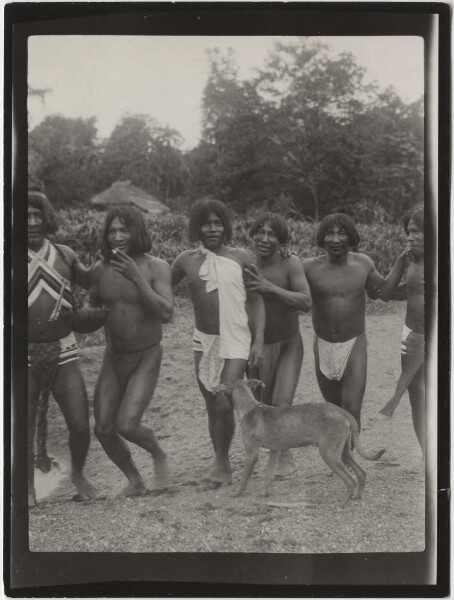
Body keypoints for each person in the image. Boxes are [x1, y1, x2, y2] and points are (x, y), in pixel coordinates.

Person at [171, 198, 265, 486]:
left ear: (226, 226)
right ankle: (221, 461)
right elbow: (162, 286)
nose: (212, 229)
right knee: (213, 405)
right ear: (196, 228)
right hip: (204, 341)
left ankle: (227, 462)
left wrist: (258, 340)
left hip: (237, 338)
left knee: (225, 401)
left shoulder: (241, 257)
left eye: (217, 223)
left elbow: (258, 298)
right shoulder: (185, 260)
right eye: (206, 223)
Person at [88, 205, 173, 497]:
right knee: (103, 428)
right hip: (114, 356)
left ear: (137, 231)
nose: (117, 236)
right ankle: (135, 480)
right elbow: (92, 305)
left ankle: (159, 453)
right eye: (112, 231)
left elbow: (166, 312)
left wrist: (136, 277)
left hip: (146, 355)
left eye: (124, 229)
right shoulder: (100, 269)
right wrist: (81, 316)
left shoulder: (156, 267)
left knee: (127, 424)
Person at [28, 189, 97, 507]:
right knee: (21, 425)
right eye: (24, 216)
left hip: (64, 348)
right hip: (21, 353)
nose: (31, 222)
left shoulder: (65, 254)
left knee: (80, 424)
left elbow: (93, 283)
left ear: (46, 218)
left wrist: (88, 313)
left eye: (37, 215)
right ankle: (24, 485)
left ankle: (78, 473)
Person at [244, 212, 312, 478]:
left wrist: (269, 287)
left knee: (281, 402)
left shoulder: (290, 263)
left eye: (272, 234)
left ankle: (284, 455)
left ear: (282, 240)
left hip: (288, 343)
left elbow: (306, 302)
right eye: (260, 232)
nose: (264, 238)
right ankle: (264, 451)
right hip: (257, 345)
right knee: (259, 405)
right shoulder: (246, 264)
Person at [303, 213, 385, 429]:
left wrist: (414, 272)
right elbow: (286, 277)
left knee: (352, 407)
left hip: (354, 343)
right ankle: (341, 457)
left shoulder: (363, 263)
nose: (336, 239)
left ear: (352, 237)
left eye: (342, 233)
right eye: (330, 234)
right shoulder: (309, 267)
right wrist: (283, 252)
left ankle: (349, 458)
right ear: (322, 238)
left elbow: (383, 291)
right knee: (334, 410)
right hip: (323, 344)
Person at [379, 205, 425, 454]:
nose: (410, 237)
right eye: (408, 232)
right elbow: (386, 293)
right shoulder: (410, 258)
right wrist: (399, 260)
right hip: (413, 337)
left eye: (417, 232)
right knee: (417, 399)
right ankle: (429, 457)